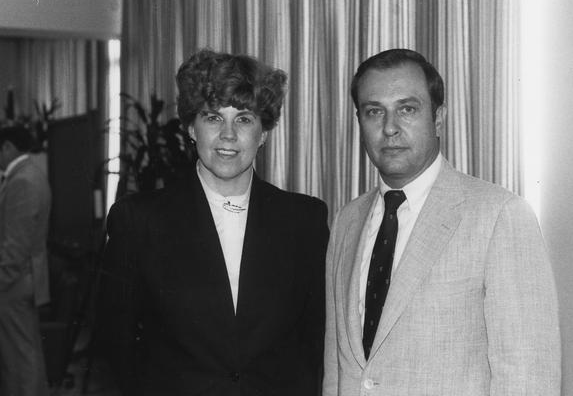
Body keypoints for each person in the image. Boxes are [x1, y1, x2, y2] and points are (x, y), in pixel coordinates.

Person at [323, 49, 561, 395]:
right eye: (374, 112)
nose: (389, 128)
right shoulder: (347, 221)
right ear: (359, 122)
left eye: (407, 109)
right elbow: (338, 371)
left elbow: (528, 378)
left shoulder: (499, 216)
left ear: (438, 118)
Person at [99, 49, 329, 396]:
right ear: (191, 127)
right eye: (213, 117)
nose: (228, 135)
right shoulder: (138, 220)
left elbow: (314, 346)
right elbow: (117, 349)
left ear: (264, 132)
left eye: (244, 119)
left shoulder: (305, 220)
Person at [0, 125, 51, 396]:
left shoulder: (22, 180)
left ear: (8, 147)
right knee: (22, 354)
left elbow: (14, 248)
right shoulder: (28, 175)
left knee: (20, 358)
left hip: (14, 283)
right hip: (23, 279)